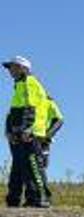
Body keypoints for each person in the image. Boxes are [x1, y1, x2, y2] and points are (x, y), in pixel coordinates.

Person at [4, 55, 49, 208]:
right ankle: (17, 200)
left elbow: (30, 108)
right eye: (10, 67)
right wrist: (10, 131)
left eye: (14, 67)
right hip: (20, 132)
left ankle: (40, 199)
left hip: (31, 133)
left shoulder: (29, 82)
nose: (11, 70)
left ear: (24, 68)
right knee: (19, 166)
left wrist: (26, 129)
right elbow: (13, 112)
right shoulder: (19, 85)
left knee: (33, 164)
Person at [35, 96, 62, 206]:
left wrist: (47, 136)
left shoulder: (48, 101)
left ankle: (45, 197)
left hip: (42, 140)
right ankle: (35, 197)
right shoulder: (30, 102)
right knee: (30, 167)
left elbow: (59, 119)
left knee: (40, 166)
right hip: (31, 137)